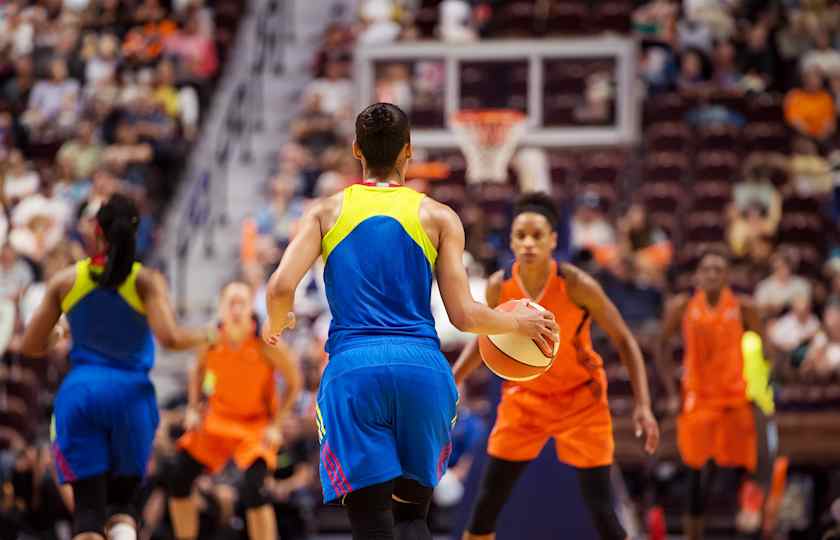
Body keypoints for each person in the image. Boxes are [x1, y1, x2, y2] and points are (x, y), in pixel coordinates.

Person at [262, 103, 558, 540]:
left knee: (371, 522)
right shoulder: (438, 216)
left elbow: (279, 287)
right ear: (408, 151)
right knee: (412, 518)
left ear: (356, 149)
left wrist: (276, 322)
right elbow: (464, 315)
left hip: (355, 370)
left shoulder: (326, 212)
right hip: (421, 370)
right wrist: (517, 325)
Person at [452, 192, 660, 540]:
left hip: (581, 400)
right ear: (511, 241)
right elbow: (485, 340)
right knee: (486, 505)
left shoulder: (577, 284)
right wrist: (453, 378)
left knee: (602, 510)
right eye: (521, 235)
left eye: (537, 235)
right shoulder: (499, 286)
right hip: (525, 401)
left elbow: (624, 339)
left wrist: (643, 405)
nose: (528, 243)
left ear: (553, 240)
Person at [20, 194, 215, 540]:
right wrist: (209, 334)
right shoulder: (145, 281)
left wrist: (60, 332)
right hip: (130, 397)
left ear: (96, 232)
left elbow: (31, 344)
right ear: (135, 233)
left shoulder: (66, 281)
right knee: (123, 508)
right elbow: (170, 338)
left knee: (88, 513)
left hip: (80, 394)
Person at [167, 281, 302, 540]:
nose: (237, 309)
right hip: (216, 422)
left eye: (242, 303)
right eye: (231, 303)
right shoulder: (210, 338)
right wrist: (194, 408)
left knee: (254, 489)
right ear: (221, 308)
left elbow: (294, 381)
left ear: (251, 308)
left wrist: (276, 424)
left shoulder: (265, 342)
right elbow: (196, 371)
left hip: (254, 426)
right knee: (178, 477)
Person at [657, 250, 774, 540]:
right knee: (695, 479)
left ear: (727, 276)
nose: (711, 274)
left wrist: (763, 383)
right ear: (697, 275)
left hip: (735, 400)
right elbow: (660, 346)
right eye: (706, 269)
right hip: (698, 401)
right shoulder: (682, 306)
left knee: (746, 470)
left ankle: (749, 530)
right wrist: (672, 391)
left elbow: (769, 349)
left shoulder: (744, 307)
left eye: (718, 269)